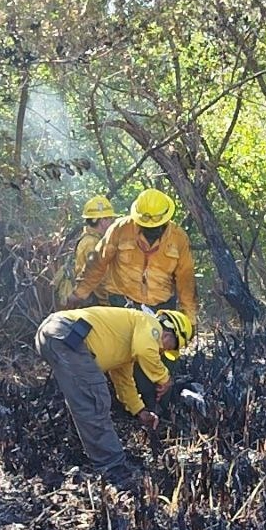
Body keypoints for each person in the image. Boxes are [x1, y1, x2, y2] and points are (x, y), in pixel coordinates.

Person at [35, 306, 195, 469]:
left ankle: (104, 459)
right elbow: (145, 350)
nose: (163, 351)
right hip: (67, 333)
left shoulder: (125, 346)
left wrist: (140, 411)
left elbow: (124, 381)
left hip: (58, 334)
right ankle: (113, 467)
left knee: (85, 398)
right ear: (169, 332)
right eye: (169, 347)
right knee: (95, 398)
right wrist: (164, 378)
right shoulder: (150, 323)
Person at [65, 188, 198, 320]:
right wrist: (79, 293)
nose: (151, 229)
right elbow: (97, 263)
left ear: (166, 219)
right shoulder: (120, 229)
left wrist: (188, 317)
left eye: (156, 226)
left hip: (160, 305)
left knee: (154, 340)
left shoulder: (178, 238)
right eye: (146, 225)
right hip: (121, 302)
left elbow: (186, 279)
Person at [72, 194, 117, 303]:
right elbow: (96, 277)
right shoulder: (91, 243)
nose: (112, 222)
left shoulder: (94, 240)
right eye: (110, 218)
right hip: (96, 301)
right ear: (102, 221)